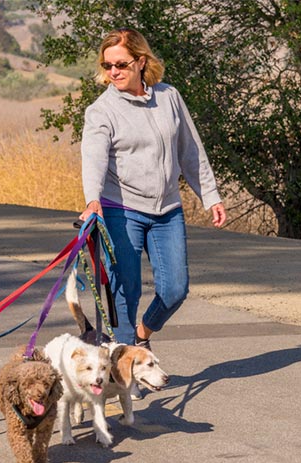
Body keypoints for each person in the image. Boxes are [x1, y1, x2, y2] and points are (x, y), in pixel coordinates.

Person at [78, 27, 227, 354]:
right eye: (107, 66)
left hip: (167, 211)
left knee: (175, 289)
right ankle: (126, 365)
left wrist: (210, 195)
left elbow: (190, 150)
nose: (113, 72)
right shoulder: (102, 111)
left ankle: (144, 332)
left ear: (141, 61)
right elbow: (93, 158)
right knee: (125, 291)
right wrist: (92, 200)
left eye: (121, 64)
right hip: (121, 210)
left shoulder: (168, 97)